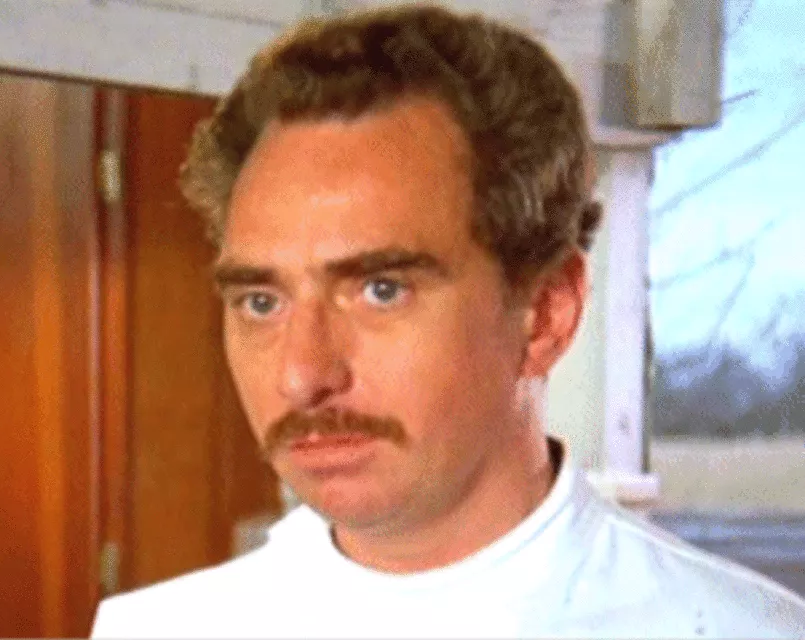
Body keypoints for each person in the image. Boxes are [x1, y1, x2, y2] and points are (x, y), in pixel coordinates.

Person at [91, 4, 805, 638]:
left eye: (380, 290)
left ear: (546, 314)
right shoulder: (157, 630)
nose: (302, 375)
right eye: (262, 301)